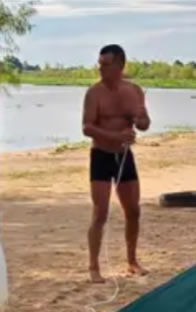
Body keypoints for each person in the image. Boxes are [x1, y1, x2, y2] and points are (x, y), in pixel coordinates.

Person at [82, 44, 151, 283]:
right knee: (100, 212)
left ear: (120, 66)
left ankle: (132, 261)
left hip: (124, 156)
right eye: (99, 64)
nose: (101, 69)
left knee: (133, 210)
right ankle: (93, 266)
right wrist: (114, 137)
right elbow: (87, 127)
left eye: (106, 65)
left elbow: (144, 123)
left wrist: (139, 119)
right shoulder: (94, 93)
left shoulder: (134, 91)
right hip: (101, 155)